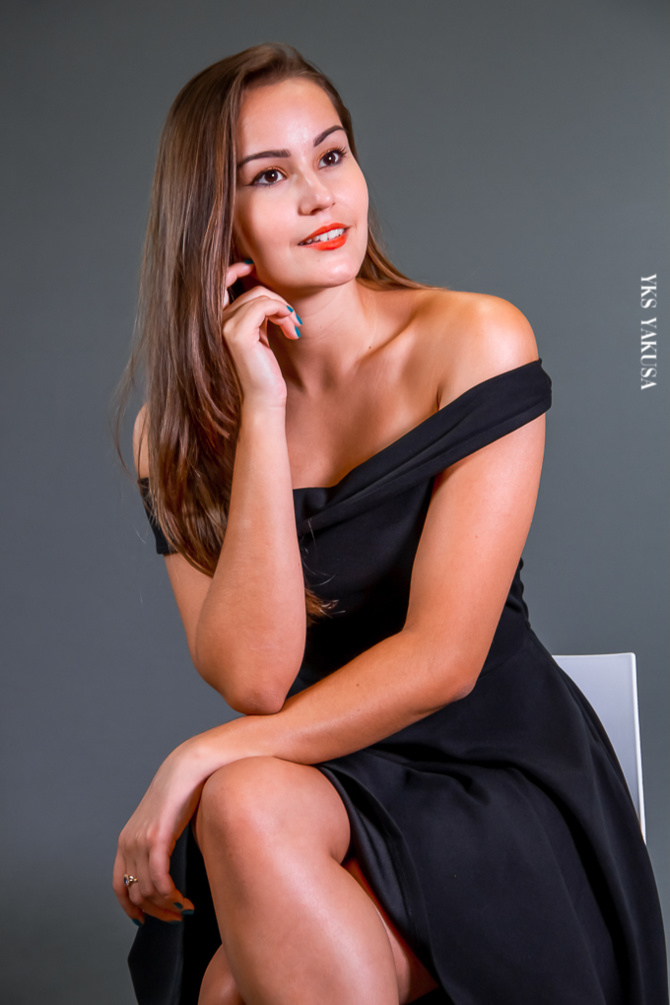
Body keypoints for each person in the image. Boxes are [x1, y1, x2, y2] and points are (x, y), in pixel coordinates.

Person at [112, 42, 668, 1005]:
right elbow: (257, 677)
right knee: (241, 806)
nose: (319, 196)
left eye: (331, 155)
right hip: (324, 768)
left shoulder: (474, 340)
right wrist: (262, 413)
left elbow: (443, 659)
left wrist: (196, 754)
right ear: (211, 221)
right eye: (270, 176)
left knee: (234, 976)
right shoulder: (173, 436)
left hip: (496, 772)